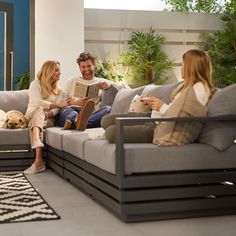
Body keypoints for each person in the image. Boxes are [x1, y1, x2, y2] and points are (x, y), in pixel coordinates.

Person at [101, 49, 216, 143]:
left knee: (111, 132)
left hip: (159, 127)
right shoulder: (189, 86)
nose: (181, 67)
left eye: (183, 64)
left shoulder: (200, 90)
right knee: (106, 120)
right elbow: (176, 109)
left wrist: (160, 106)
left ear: (191, 67)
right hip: (154, 117)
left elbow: (182, 118)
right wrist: (154, 104)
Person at [24, 60, 70, 174]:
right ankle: (38, 156)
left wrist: (48, 114)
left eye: (60, 70)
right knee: (39, 111)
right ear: (49, 71)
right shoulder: (35, 84)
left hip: (47, 119)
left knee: (36, 122)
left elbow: (57, 110)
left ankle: (38, 161)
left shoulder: (59, 91)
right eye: (56, 70)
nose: (60, 73)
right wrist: (57, 104)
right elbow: (37, 101)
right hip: (31, 114)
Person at [58, 52, 119, 131]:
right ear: (80, 68)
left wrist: (108, 87)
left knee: (108, 109)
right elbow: (62, 102)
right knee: (67, 110)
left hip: (90, 114)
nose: (86, 69)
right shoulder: (71, 80)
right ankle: (77, 121)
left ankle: (75, 123)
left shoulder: (102, 81)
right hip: (73, 109)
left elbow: (120, 88)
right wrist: (77, 103)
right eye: (83, 67)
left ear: (94, 66)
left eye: (89, 66)